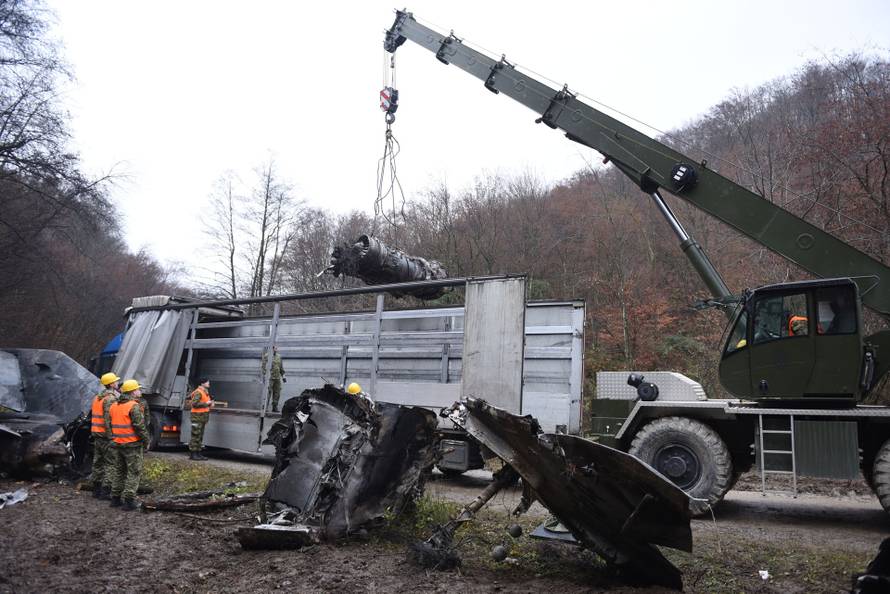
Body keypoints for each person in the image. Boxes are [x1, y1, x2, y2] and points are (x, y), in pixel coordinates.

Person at [107, 379, 149, 511]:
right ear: (132, 392)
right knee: (133, 472)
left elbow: (109, 424)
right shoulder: (133, 406)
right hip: (132, 445)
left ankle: (115, 498)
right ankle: (129, 501)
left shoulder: (114, 405)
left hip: (118, 443)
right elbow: (140, 427)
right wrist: (146, 441)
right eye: (138, 389)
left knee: (119, 471)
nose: (139, 391)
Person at [88, 372, 120, 499]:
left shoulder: (97, 397)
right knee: (110, 464)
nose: (118, 383)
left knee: (97, 462)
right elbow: (108, 420)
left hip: (97, 434)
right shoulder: (110, 399)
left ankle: (96, 490)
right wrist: (112, 436)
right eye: (116, 381)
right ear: (111, 384)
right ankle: (105, 492)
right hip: (106, 436)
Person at [188, 378, 214, 460]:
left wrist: (210, 403)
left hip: (202, 417)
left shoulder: (205, 392)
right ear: (202, 383)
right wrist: (206, 403)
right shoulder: (198, 392)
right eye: (207, 382)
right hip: (197, 416)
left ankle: (198, 453)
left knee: (199, 436)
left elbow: (205, 404)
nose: (209, 383)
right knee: (195, 435)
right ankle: (193, 454)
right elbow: (194, 404)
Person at [261, 347, 286, 412]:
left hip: (277, 378)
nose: (276, 349)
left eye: (276, 348)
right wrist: (264, 377)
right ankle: (265, 408)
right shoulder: (266, 356)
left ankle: (275, 407)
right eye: (275, 348)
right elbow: (263, 367)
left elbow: (281, 367)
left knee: (277, 393)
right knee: (268, 393)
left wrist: (283, 376)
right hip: (269, 378)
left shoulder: (279, 356)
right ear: (271, 348)